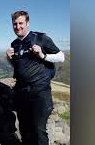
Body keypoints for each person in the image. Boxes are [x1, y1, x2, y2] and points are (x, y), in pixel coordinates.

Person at [6, 10, 64, 145]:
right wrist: (8, 58)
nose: (17, 26)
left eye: (21, 23)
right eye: (15, 24)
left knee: (38, 129)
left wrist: (43, 55)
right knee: (24, 128)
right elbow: (18, 67)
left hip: (40, 92)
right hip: (22, 92)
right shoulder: (14, 44)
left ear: (27, 23)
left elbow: (61, 57)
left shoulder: (41, 38)